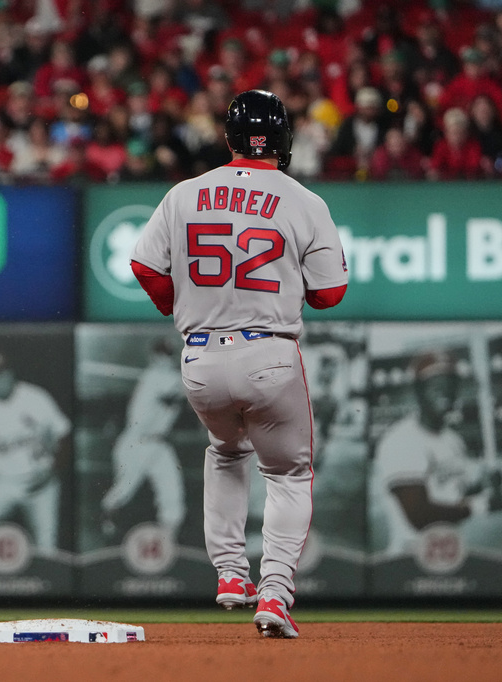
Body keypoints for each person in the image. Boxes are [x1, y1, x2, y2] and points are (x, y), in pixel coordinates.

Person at [130, 90, 348, 639]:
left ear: (227, 139)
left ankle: (230, 574)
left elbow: (143, 264)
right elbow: (331, 294)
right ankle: (274, 592)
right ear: (283, 140)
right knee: (288, 473)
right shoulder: (303, 200)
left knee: (227, 451)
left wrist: (178, 303)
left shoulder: (185, 194)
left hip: (201, 357)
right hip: (269, 351)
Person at [370, 351, 502, 559]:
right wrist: (483, 504)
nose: (446, 393)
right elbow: (419, 514)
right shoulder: (402, 440)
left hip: (449, 552)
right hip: (409, 559)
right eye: (436, 385)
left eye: (451, 385)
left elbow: (451, 491)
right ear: (419, 391)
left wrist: (483, 483)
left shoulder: (453, 439)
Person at [0, 351, 71, 551]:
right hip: (4, 484)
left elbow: (64, 433)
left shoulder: (36, 397)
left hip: (43, 485)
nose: (0, 380)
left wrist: (56, 468)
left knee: (47, 546)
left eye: (3, 373)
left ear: (12, 372)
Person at [100, 339, 186, 541]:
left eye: (168, 354)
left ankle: (168, 538)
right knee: (123, 491)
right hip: (136, 444)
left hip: (159, 445)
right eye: (160, 354)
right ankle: (107, 519)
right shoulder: (154, 378)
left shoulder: (169, 376)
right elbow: (172, 397)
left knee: (172, 491)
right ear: (153, 357)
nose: (164, 358)